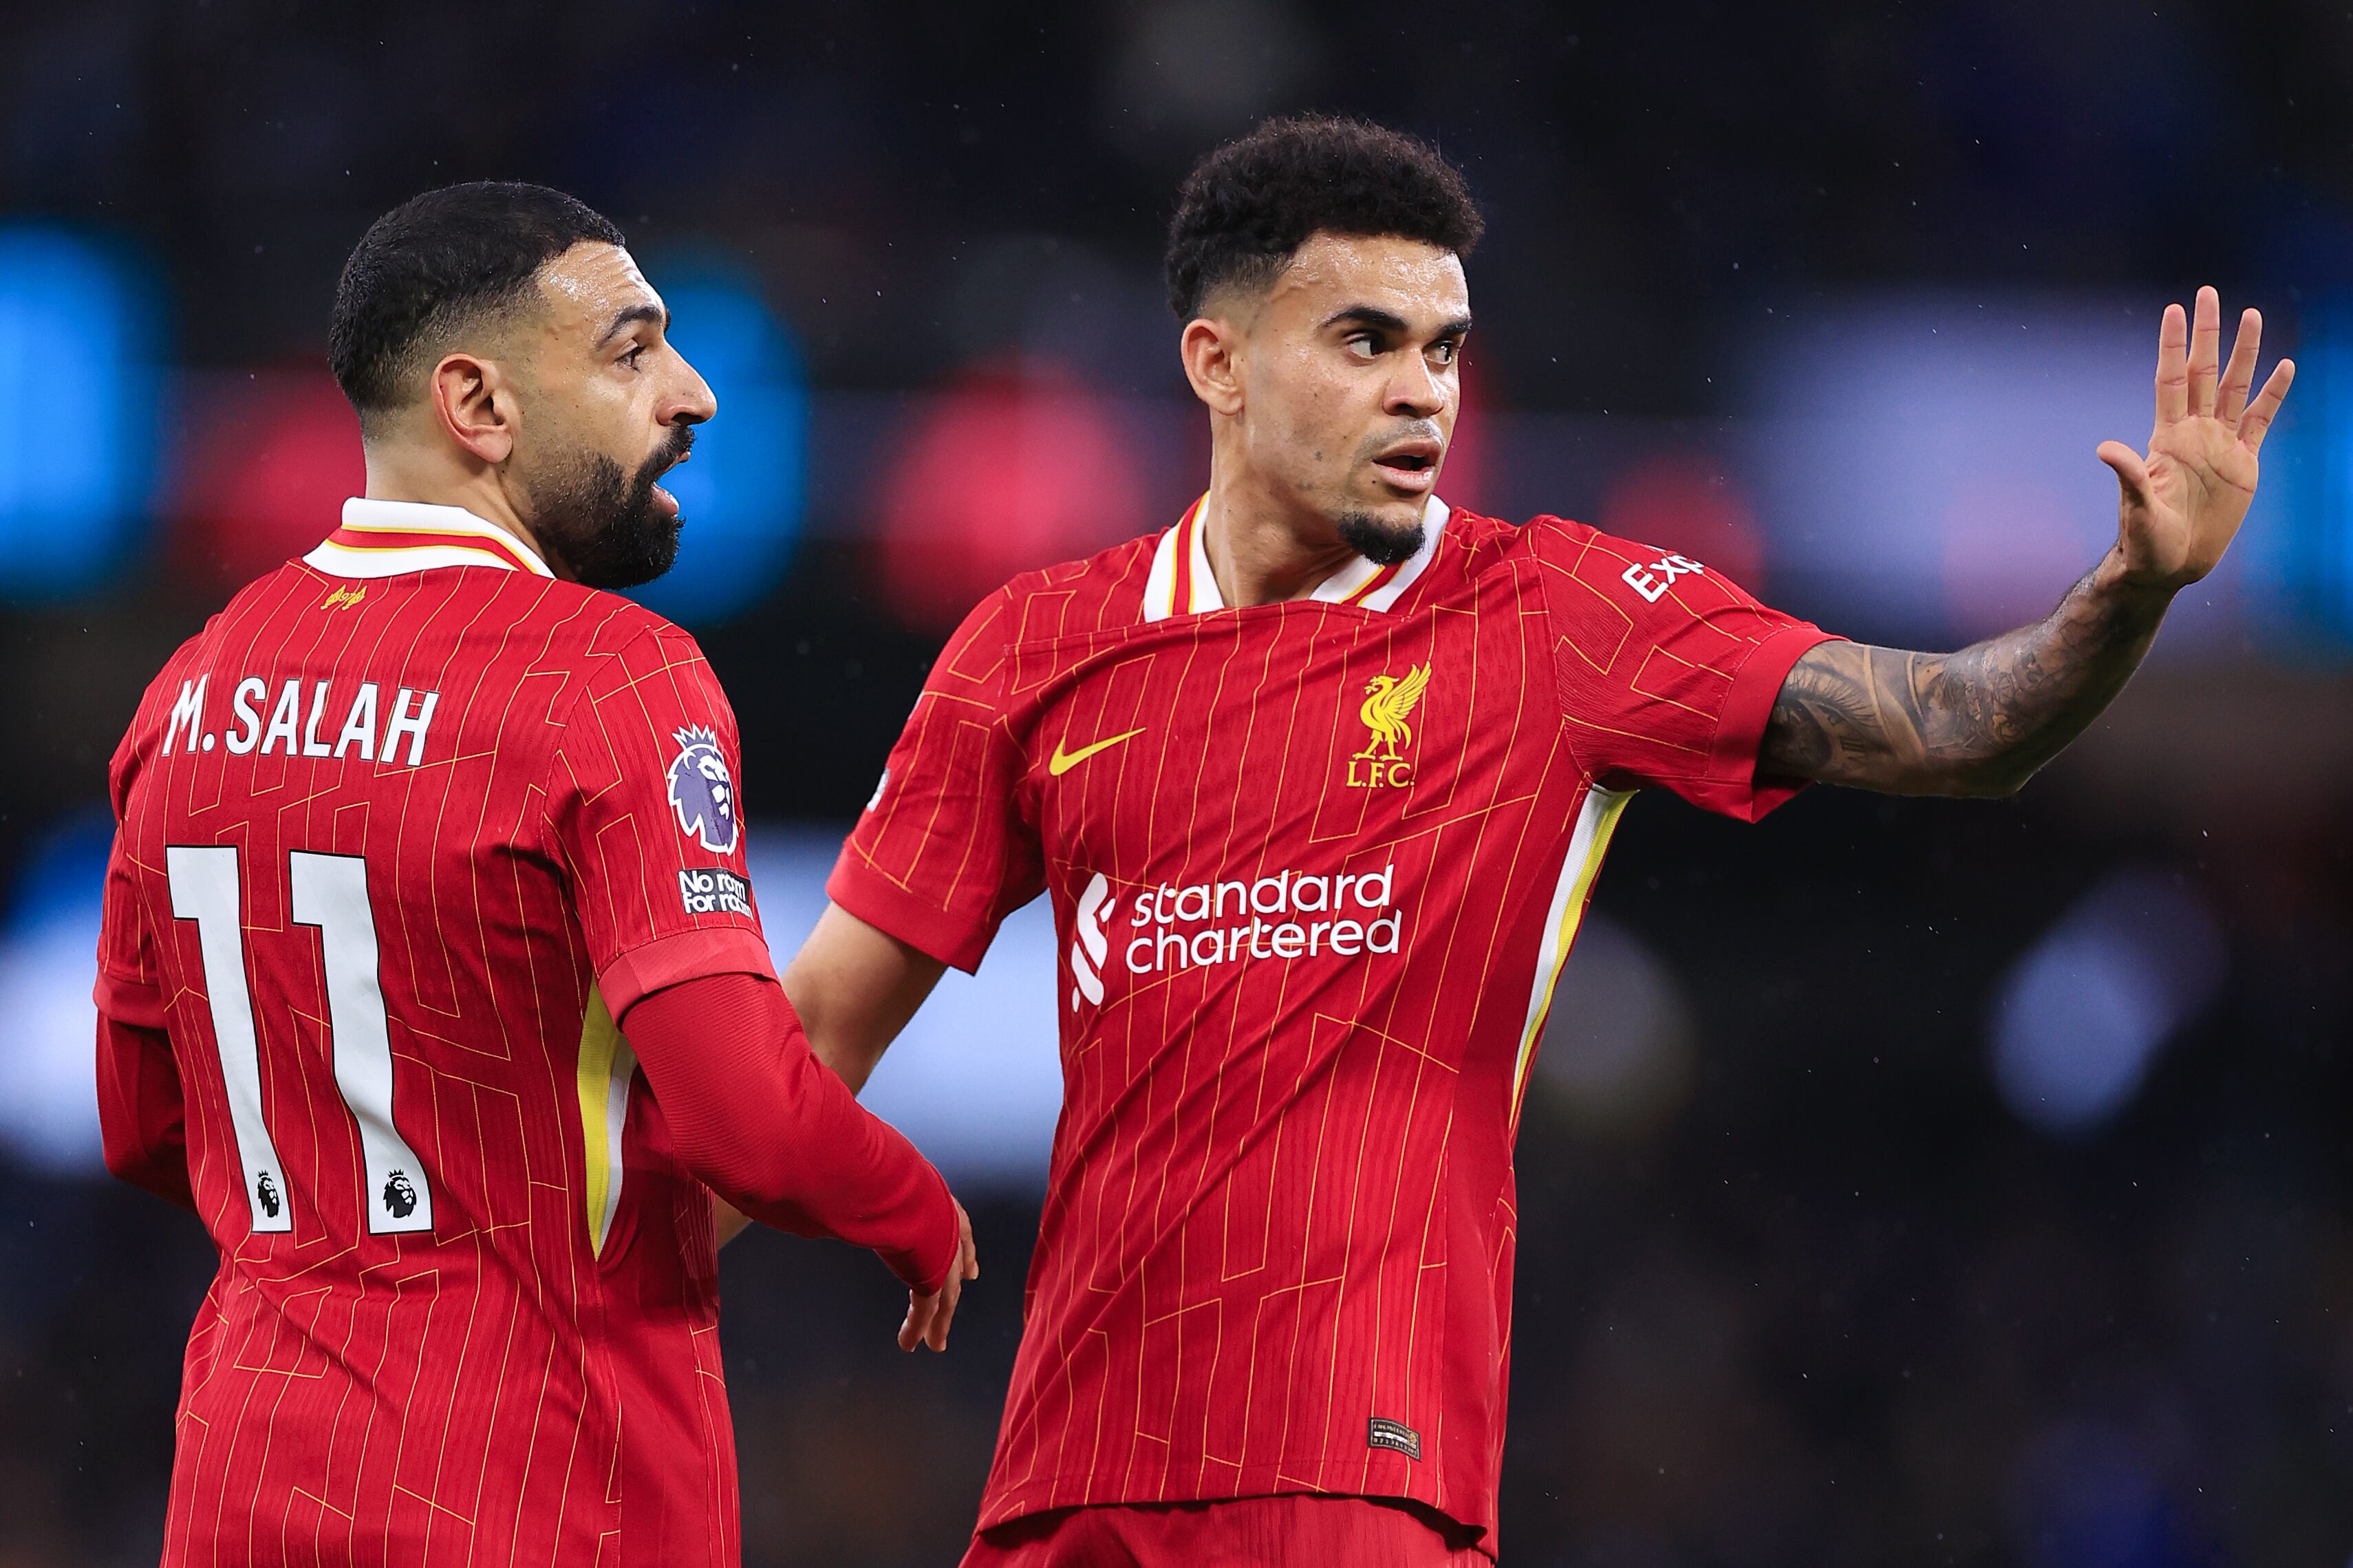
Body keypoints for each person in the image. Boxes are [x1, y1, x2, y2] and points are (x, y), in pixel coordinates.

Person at [780, 117, 2293, 1565]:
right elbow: (811, 1042)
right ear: (1218, 363)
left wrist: (2130, 592)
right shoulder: (1037, 648)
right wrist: (580, 1295)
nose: (1423, 394)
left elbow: (1960, 725)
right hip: (1062, 1488)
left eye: (1444, 350)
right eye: (1366, 342)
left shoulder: (1553, 622)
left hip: (1348, 1481)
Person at [94, 181, 977, 1568]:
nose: (694, 395)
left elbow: (146, 1124)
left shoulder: (188, 687)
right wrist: (911, 1207)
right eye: (632, 352)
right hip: (541, 1485)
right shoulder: (608, 677)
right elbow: (749, 1118)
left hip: (245, 1487)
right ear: (478, 407)